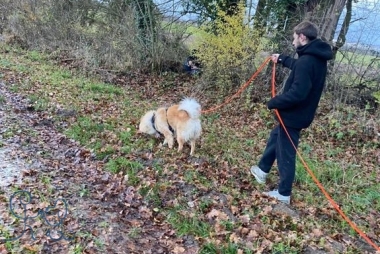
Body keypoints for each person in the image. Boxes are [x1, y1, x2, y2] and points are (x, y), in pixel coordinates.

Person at [250, 21, 333, 204]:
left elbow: (298, 93)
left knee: (286, 154)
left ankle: (284, 194)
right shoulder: (316, 57)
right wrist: (282, 59)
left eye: (295, 37)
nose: (293, 41)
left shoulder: (307, 61)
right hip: (298, 115)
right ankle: (262, 170)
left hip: (294, 116)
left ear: (302, 37)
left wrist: (274, 102)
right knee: (275, 137)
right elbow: (299, 66)